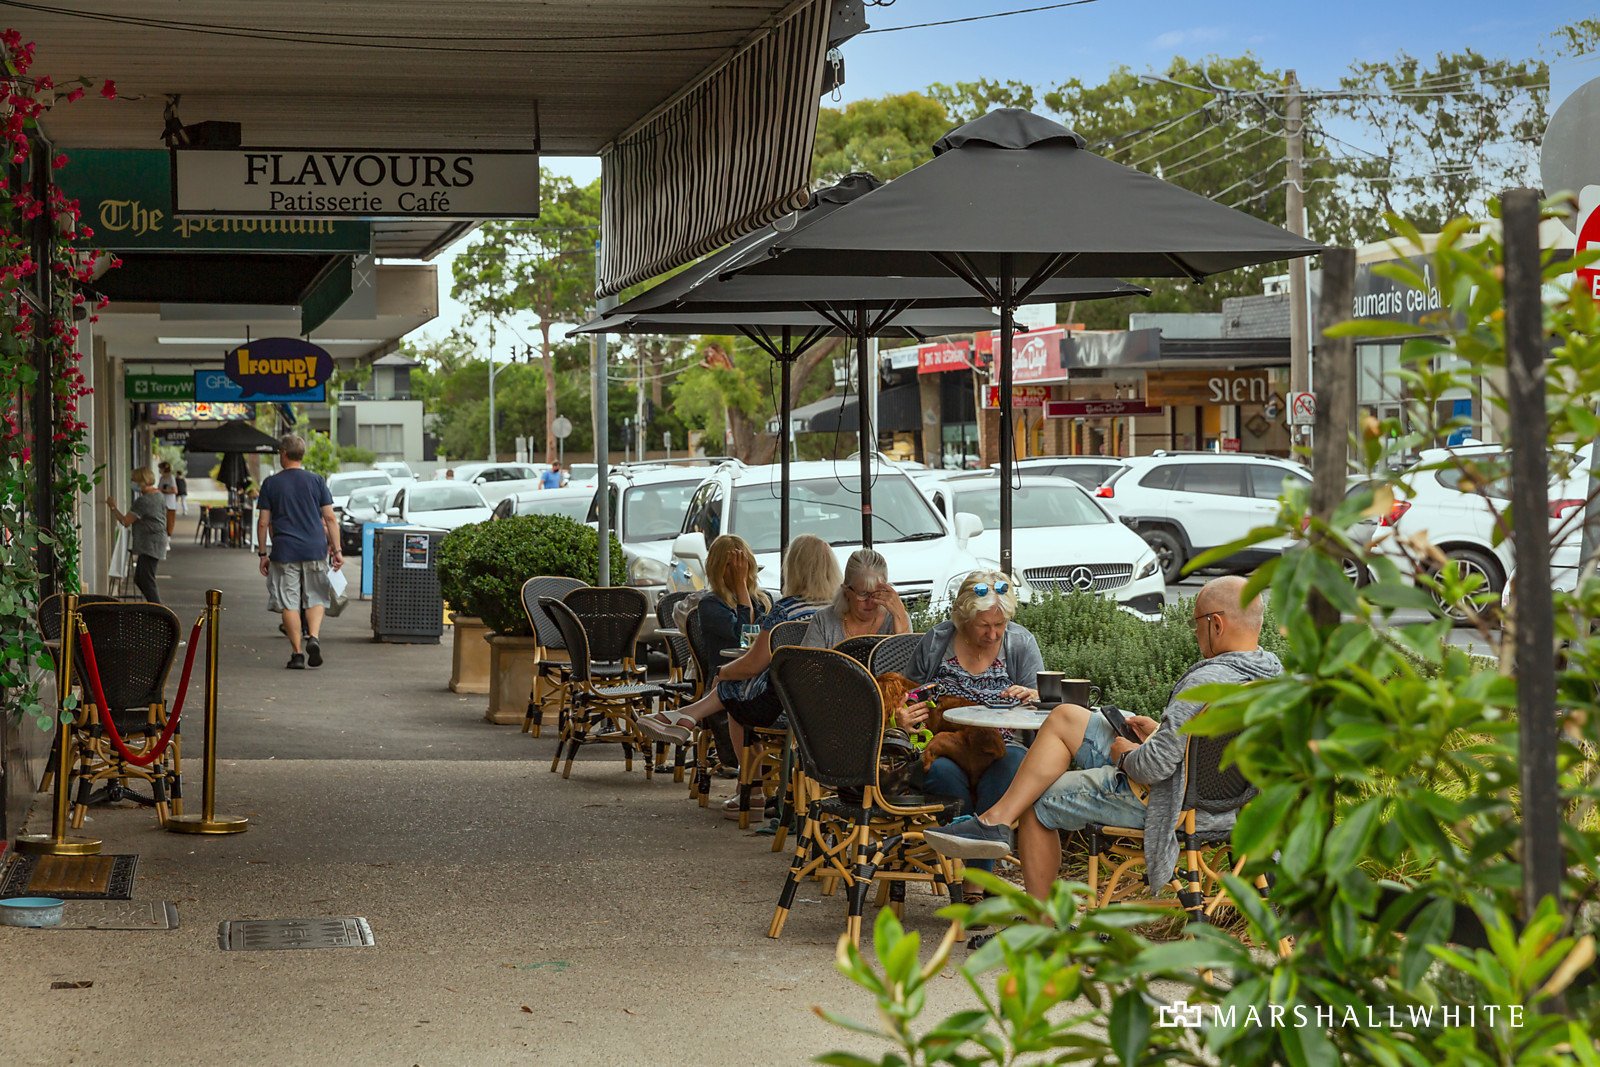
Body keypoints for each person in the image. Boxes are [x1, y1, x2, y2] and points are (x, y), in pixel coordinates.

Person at [922, 575, 1283, 900]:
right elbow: (1207, 749)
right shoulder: (1271, 677)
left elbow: (1153, 769)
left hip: (1170, 800)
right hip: (1227, 799)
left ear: (1215, 624)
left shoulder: (1206, 682)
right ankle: (994, 822)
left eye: (1195, 624)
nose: (1194, 632)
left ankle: (1042, 924)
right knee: (1065, 716)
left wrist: (1127, 753)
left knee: (1034, 798)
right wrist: (1158, 732)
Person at [637, 535, 841, 817]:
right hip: (834, 708)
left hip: (787, 708)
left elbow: (749, 659)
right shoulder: (842, 612)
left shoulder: (784, 611)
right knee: (737, 689)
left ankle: (750, 790)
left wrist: (722, 673)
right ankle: (688, 718)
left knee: (734, 693)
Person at [900, 570, 1041, 900]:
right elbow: (908, 693)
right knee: (939, 772)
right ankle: (980, 880)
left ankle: (974, 881)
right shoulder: (937, 641)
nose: (994, 634)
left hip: (1002, 746)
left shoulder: (1019, 642)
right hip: (945, 745)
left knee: (1010, 767)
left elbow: (1045, 702)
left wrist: (1032, 697)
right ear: (964, 617)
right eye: (984, 626)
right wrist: (904, 715)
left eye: (1000, 625)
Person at [255, 434, 343, 670]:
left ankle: (297, 654)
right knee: (316, 596)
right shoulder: (316, 481)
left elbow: (263, 522)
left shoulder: (271, 483)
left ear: (283, 453)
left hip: (284, 551)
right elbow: (330, 518)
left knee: (289, 602)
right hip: (315, 548)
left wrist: (263, 553)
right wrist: (337, 550)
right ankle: (313, 637)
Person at [800, 548, 911, 648]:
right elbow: (807, 667)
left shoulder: (896, 619)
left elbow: (908, 666)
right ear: (846, 591)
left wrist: (900, 618)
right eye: (863, 594)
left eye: (877, 594)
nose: (871, 601)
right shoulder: (824, 620)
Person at [105, 468, 175, 604]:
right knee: (140, 578)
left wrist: (113, 507)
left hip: (151, 544)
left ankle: (158, 610)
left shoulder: (144, 501)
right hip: (156, 541)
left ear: (141, 481)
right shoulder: (158, 495)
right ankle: (154, 606)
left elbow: (126, 521)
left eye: (133, 480)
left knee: (147, 579)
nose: (132, 483)